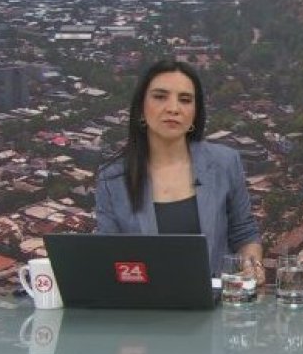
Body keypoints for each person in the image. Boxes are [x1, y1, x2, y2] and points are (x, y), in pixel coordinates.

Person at [95, 60, 264, 282]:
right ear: (141, 108)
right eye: (160, 97)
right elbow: (107, 255)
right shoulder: (112, 178)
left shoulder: (225, 163)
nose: (173, 108)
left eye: (185, 100)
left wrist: (251, 265)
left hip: (216, 300)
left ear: (195, 112)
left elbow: (244, 234)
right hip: (143, 300)